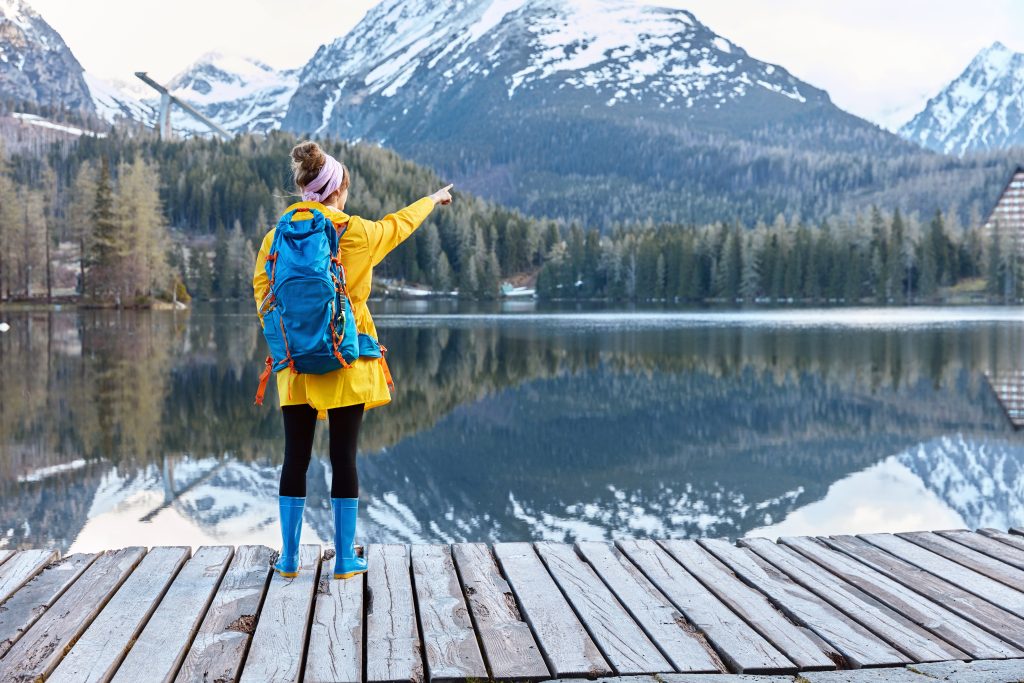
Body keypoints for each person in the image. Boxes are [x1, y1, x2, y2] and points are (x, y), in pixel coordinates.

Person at [253, 141, 453, 579]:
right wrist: (433, 200)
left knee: (294, 458)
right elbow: (399, 226)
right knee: (344, 457)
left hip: (295, 369)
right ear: (338, 190)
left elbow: (262, 296)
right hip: (345, 359)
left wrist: (288, 344)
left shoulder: (276, 236)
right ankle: (344, 559)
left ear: (305, 190)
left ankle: (288, 559)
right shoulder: (355, 232)